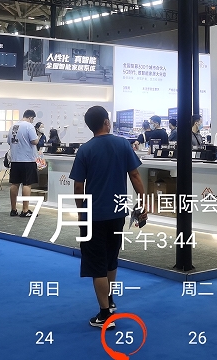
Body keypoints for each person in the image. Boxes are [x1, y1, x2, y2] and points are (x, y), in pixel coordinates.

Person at [69, 106, 147, 329]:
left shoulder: (85, 150)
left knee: (96, 264)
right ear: (106, 122)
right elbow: (134, 175)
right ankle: (110, 300)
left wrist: (80, 211)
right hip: (117, 213)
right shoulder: (123, 144)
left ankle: (104, 314)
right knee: (111, 258)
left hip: (93, 215)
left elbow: (78, 186)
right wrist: (143, 201)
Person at [8, 109, 39, 217]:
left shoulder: (13, 126)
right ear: (31, 117)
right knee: (27, 184)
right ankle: (25, 210)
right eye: (33, 119)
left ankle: (13, 209)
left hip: (15, 160)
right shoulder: (29, 126)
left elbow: (9, 142)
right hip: (27, 160)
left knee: (14, 184)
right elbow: (34, 141)